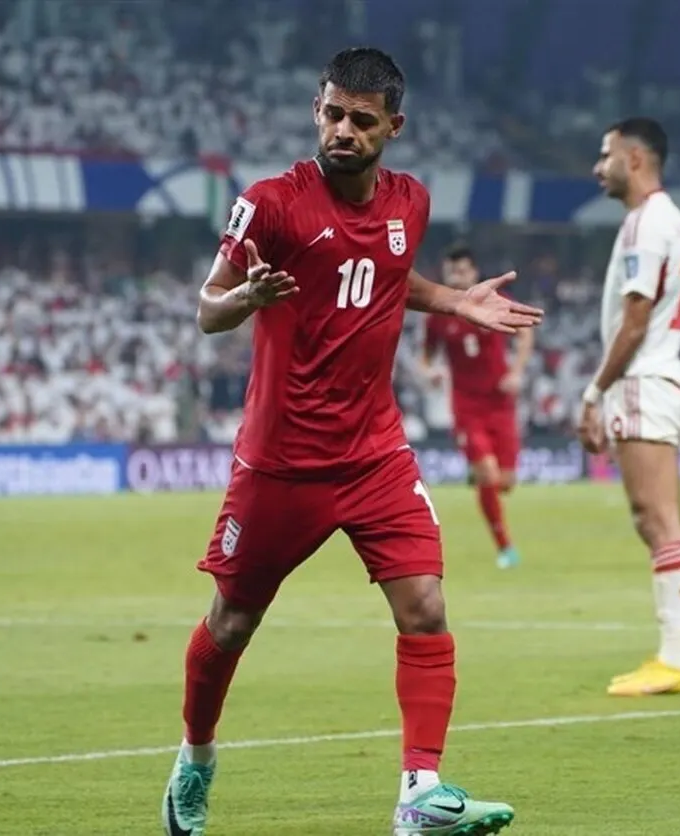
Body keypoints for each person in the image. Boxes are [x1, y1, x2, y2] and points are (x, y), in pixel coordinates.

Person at [162, 48, 541, 836]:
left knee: (425, 606)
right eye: (333, 114)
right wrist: (247, 296)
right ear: (317, 110)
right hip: (281, 465)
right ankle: (194, 761)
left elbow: (386, 274)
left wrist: (455, 302)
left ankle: (420, 794)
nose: (343, 130)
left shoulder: (411, 202)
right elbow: (206, 309)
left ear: (392, 127)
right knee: (231, 623)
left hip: (374, 454)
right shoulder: (270, 204)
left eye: (361, 120)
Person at [576, 117, 680, 697]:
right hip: (661, 378)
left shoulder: (645, 225)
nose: (597, 167)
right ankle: (675, 655)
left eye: (605, 156)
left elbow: (634, 322)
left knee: (655, 519)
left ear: (634, 159)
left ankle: (675, 659)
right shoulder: (670, 220)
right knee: (661, 519)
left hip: (643, 381)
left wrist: (593, 393)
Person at [421, 244, 532, 569]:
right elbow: (425, 357)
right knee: (488, 474)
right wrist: (430, 373)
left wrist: (517, 371)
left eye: (462, 270)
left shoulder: (494, 301)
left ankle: (480, 473)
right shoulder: (438, 314)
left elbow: (525, 334)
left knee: (505, 482)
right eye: (451, 271)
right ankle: (505, 548)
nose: (456, 276)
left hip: (500, 401)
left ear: (473, 272)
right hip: (466, 406)